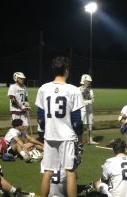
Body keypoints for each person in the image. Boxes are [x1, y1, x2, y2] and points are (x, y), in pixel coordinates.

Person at [36, 56, 84, 197]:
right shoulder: (73, 90)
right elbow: (77, 121)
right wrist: (80, 138)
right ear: (66, 70)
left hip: (50, 136)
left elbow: (40, 118)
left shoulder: (44, 88)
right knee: (70, 172)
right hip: (67, 136)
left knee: (47, 171)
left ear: (53, 70)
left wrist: (46, 133)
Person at [80, 74, 98, 145]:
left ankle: (90, 139)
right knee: (80, 125)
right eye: (87, 81)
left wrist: (89, 101)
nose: (89, 83)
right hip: (82, 110)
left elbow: (92, 99)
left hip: (89, 110)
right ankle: (79, 140)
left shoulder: (90, 90)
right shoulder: (78, 89)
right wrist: (85, 102)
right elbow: (79, 100)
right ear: (83, 81)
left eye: (89, 82)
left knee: (90, 125)